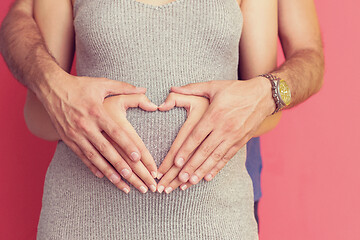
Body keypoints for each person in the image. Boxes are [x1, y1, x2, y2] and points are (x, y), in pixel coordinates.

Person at [0, 0, 324, 230]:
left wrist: (248, 101)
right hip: (84, 216)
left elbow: (264, 108)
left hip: (213, 217)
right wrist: (80, 108)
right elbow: (40, 114)